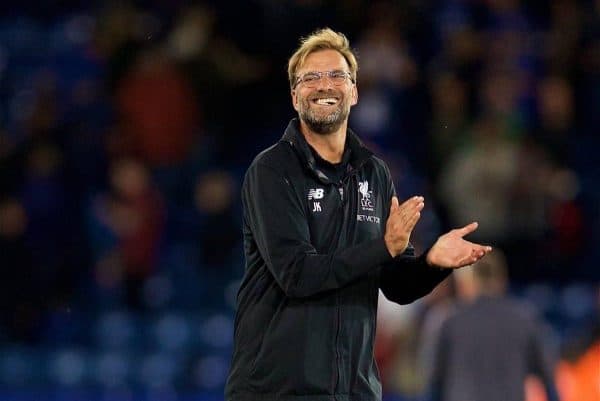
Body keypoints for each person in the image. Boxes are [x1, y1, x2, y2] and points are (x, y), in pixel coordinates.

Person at [225, 28, 492, 401]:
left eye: (336, 75)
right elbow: (297, 275)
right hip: (277, 391)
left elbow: (394, 284)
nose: (324, 85)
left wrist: (433, 262)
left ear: (354, 91)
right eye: (310, 77)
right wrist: (383, 247)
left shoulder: (375, 173)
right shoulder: (272, 170)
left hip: (353, 390)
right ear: (294, 95)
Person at [428, 250, 560, 401]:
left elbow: (434, 385)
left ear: (471, 281)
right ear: (502, 278)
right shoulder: (525, 318)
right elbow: (549, 381)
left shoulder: (450, 322)